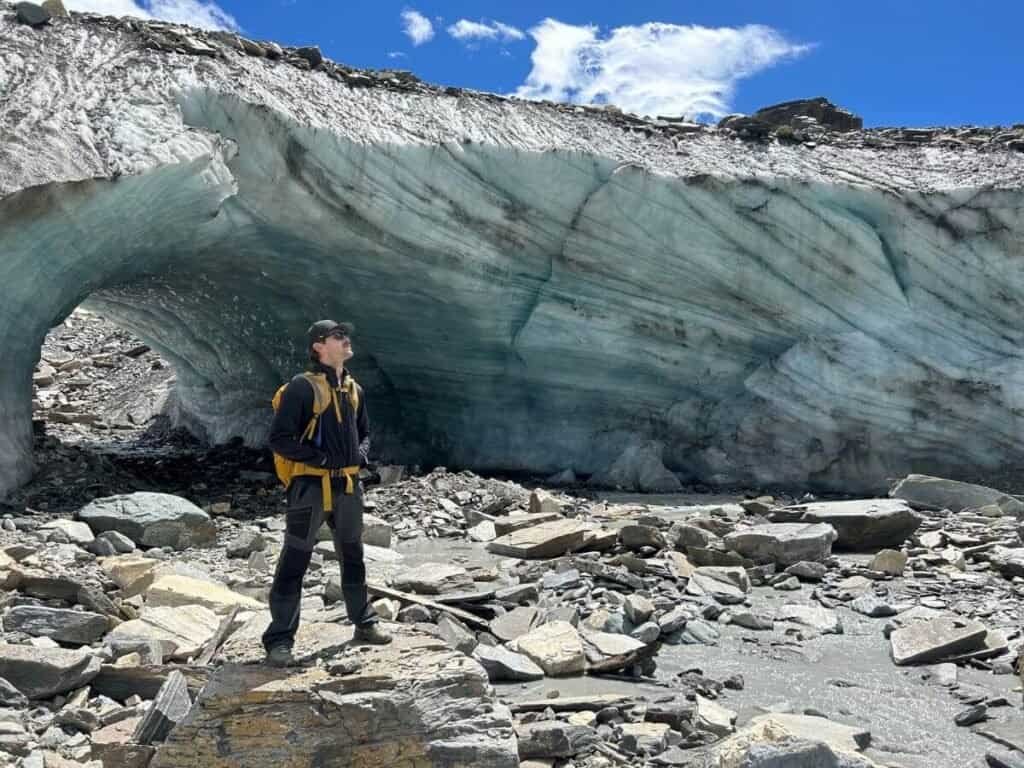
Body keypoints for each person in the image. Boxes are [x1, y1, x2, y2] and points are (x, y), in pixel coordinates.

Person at [263, 320, 391, 666]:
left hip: (348, 485)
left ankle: (364, 623)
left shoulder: (353, 389)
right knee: (296, 557)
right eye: (338, 336)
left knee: (353, 553)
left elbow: (364, 432)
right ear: (319, 346)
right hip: (309, 486)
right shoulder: (301, 389)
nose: (346, 340)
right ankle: (279, 640)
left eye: (346, 335)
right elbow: (279, 439)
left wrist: (360, 455)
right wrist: (319, 458)